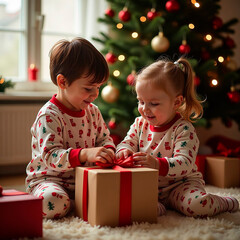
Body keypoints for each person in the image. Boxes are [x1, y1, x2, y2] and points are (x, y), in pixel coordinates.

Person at [116, 57, 239, 218]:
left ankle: (227, 202)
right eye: (141, 101)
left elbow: (185, 163)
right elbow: (127, 142)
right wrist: (124, 150)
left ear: (176, 102)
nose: (145, 109)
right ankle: (158, 207)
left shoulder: (184, 129)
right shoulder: (139, 124)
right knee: (129, 203)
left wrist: (157, 164)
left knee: (198, 206)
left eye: (153, 103)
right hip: (148, 186)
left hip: (180, 186)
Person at [26, 37, 115, 219]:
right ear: (63, 82)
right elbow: (51, 157)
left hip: (86, 179)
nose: (95, 94)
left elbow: (105, 139)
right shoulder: (49, 115)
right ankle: (75, 204)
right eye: (89, 88)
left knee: (121, 194)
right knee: (52, 202)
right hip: (50, 180)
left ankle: (79, 203)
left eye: (98, 87)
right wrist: (85, 154)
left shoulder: (93, 112)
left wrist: (108, 152)